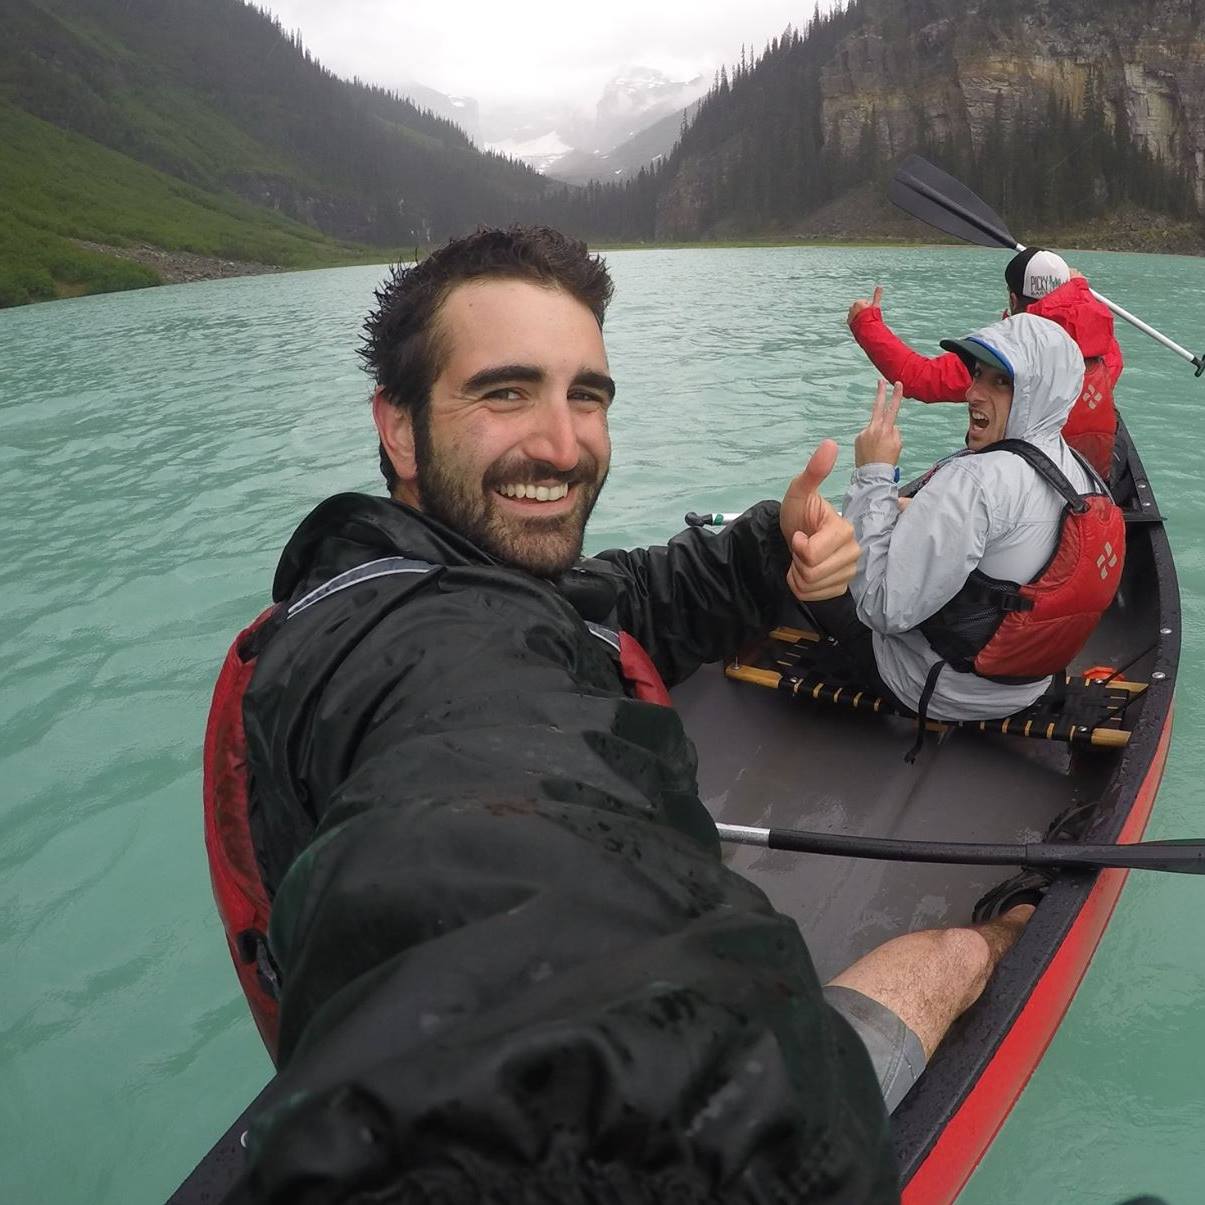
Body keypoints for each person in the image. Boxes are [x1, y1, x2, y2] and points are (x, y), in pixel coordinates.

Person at [204, 227, 1038, 1204]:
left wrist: (771, 545)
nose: (562, 444)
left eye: (584, 395)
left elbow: (620, 601)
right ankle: (1001, 937)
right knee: (949, 954)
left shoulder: (427, 573)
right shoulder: (422, 650)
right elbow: (486, 840)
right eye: (504, 392)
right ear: (397, 427)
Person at [808, 312, 1124, 729]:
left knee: (782, 536)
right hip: (1025, 686)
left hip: (934, 688)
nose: (973, 393)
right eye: (977, 375)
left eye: (1000, 382)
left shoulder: (975, 480)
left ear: (1036, 392)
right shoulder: (1082, 474)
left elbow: (882, 609)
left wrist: (874, 472)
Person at [846, 248, 1122, 477]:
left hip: (1019, 481)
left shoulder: (1000, 358)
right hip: (1089, 479)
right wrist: (1080, 291)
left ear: (1013, 299)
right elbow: (1098, 339)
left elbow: (918, 378)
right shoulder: (1103, 347)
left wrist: (865, 323)